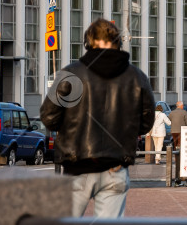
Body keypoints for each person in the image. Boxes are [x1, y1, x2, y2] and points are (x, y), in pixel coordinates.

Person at [40, 18, 154, 218]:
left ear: (89, 43)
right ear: (118, 42)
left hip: (77, 165)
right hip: (115, 167)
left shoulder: (72, 74)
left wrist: (68, 127)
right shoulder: (136, 77)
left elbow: (49, 117)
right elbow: (146, 122)